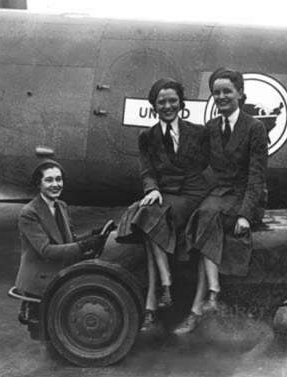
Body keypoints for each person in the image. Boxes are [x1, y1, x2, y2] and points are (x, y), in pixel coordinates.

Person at [174, 68, 268, 334]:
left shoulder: (255, 127)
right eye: (216, 92)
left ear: (240, 94)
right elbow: (198, 165)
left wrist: (245, 215)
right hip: (221, 194)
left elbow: (257, 175)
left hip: (247, 196)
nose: (222, 96)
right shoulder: (212, 127)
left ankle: (201, 304)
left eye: (227, 91)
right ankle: (210, 297)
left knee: (206, 218)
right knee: (202, 216)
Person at [116, 78, 209, 331]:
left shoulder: (198, 132)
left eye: (172, 101)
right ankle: (165, 284)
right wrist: (153, 189)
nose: (168, 106)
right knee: (145, 213)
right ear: (154, 106)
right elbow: (147, 171)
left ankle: (155, 300)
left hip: (192, 194)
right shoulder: (147, 136)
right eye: (161, 102)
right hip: (165, 194)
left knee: (152, 221)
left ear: (181, 103)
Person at [15, 159, 106, 298]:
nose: (55, 185)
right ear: (39, 184)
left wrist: (92, 234)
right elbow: (47, 250)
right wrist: (84, 245)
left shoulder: (61, 206)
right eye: (49, 180)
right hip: (38, 283)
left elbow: (69, 241)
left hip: (59, 276)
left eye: (59, 179)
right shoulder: (29, 213)